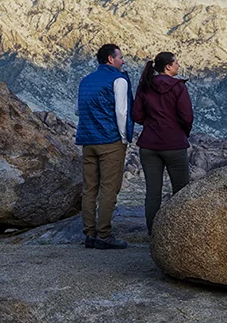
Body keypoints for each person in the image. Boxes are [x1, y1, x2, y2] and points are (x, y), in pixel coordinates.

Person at [75, 44, 133, 249]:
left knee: (89, 189)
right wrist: (124, 138)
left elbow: (78, 110)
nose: (123, 61)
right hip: (110, 141)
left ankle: (89, 234)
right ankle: (104, 235)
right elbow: (121, 112)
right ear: (110, 59)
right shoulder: (119, 79)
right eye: (120, 57)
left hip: (87, 141)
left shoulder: (85, 80)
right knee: (109, 188)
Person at [132, 51, 193, 233]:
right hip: (174, 144)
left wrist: (151, 124)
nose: (178, 65)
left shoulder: (145, 85)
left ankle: (153, 232)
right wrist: (181, 132)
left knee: (153, 192)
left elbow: (137, 115)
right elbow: (187, 116)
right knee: (181, 191)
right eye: (176, 62)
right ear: (168, 66)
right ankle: (180, 232)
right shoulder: (178, 87)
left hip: (149, 145)